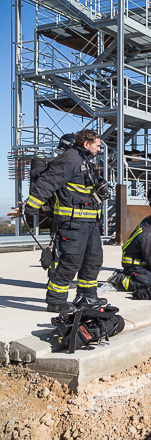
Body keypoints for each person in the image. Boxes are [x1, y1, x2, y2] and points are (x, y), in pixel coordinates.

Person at [9, 130, 106, 313]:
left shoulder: (84, 160)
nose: (99, 148)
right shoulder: (70, 159)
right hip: (72, 222)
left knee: (93, 259)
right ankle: (56, 301)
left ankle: (87, 297)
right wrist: (30, 208)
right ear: (86, 144)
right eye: (97, 145)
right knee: (70, 261)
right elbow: (47, 183)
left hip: (90, 222)